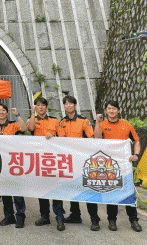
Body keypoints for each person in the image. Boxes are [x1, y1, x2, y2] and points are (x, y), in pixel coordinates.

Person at [94, 100, 142, 233]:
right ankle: (112, 220)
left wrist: (136, 154)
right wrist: (97, 122)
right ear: (106, 111)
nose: (111, 111)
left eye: (114, 108)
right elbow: (97, 139)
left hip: (124, 164)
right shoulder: (102, 125)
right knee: (112, 192)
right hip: (109, 165)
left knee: (128, 191)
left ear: (118, 110)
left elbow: (136, 141)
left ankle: (134, 220)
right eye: (109, 108)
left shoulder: (127, 125)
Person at [58, 95, 101, 231]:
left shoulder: (84, 121)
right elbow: (61, 140)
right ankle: (75, 215)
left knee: (87, 189)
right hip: (69, 161)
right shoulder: (62, 122)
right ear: (64, 106)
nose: (68, 106)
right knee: (72, 187)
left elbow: (91, 138)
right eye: (66, 104)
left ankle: (94, 218)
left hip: (83, 160)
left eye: (71, 103)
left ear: (75, 105)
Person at [27, 96, 66, 231]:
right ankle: (45, 216)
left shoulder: (55, 121)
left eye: (43, 105)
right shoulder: (32, 119)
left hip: (53, 160)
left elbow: (63, 137)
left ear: (46, 107)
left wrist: (54, 137)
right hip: (39, 160)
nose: (41, 107)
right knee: (42, 189)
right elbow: (30, 128)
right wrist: (33, 113)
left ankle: (59, 217)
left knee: (55, 189)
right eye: (38, 105)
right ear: (35, 107)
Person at [0, 103, 27, 228]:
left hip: (13, 162)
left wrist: (17, 115)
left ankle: (20, 217)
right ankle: (9, 216)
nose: (1, 112)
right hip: (1, 162)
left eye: (3, 110)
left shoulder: (13, 124)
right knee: (5, 191)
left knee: (17, 191)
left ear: (7, 112)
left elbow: (24, 128)